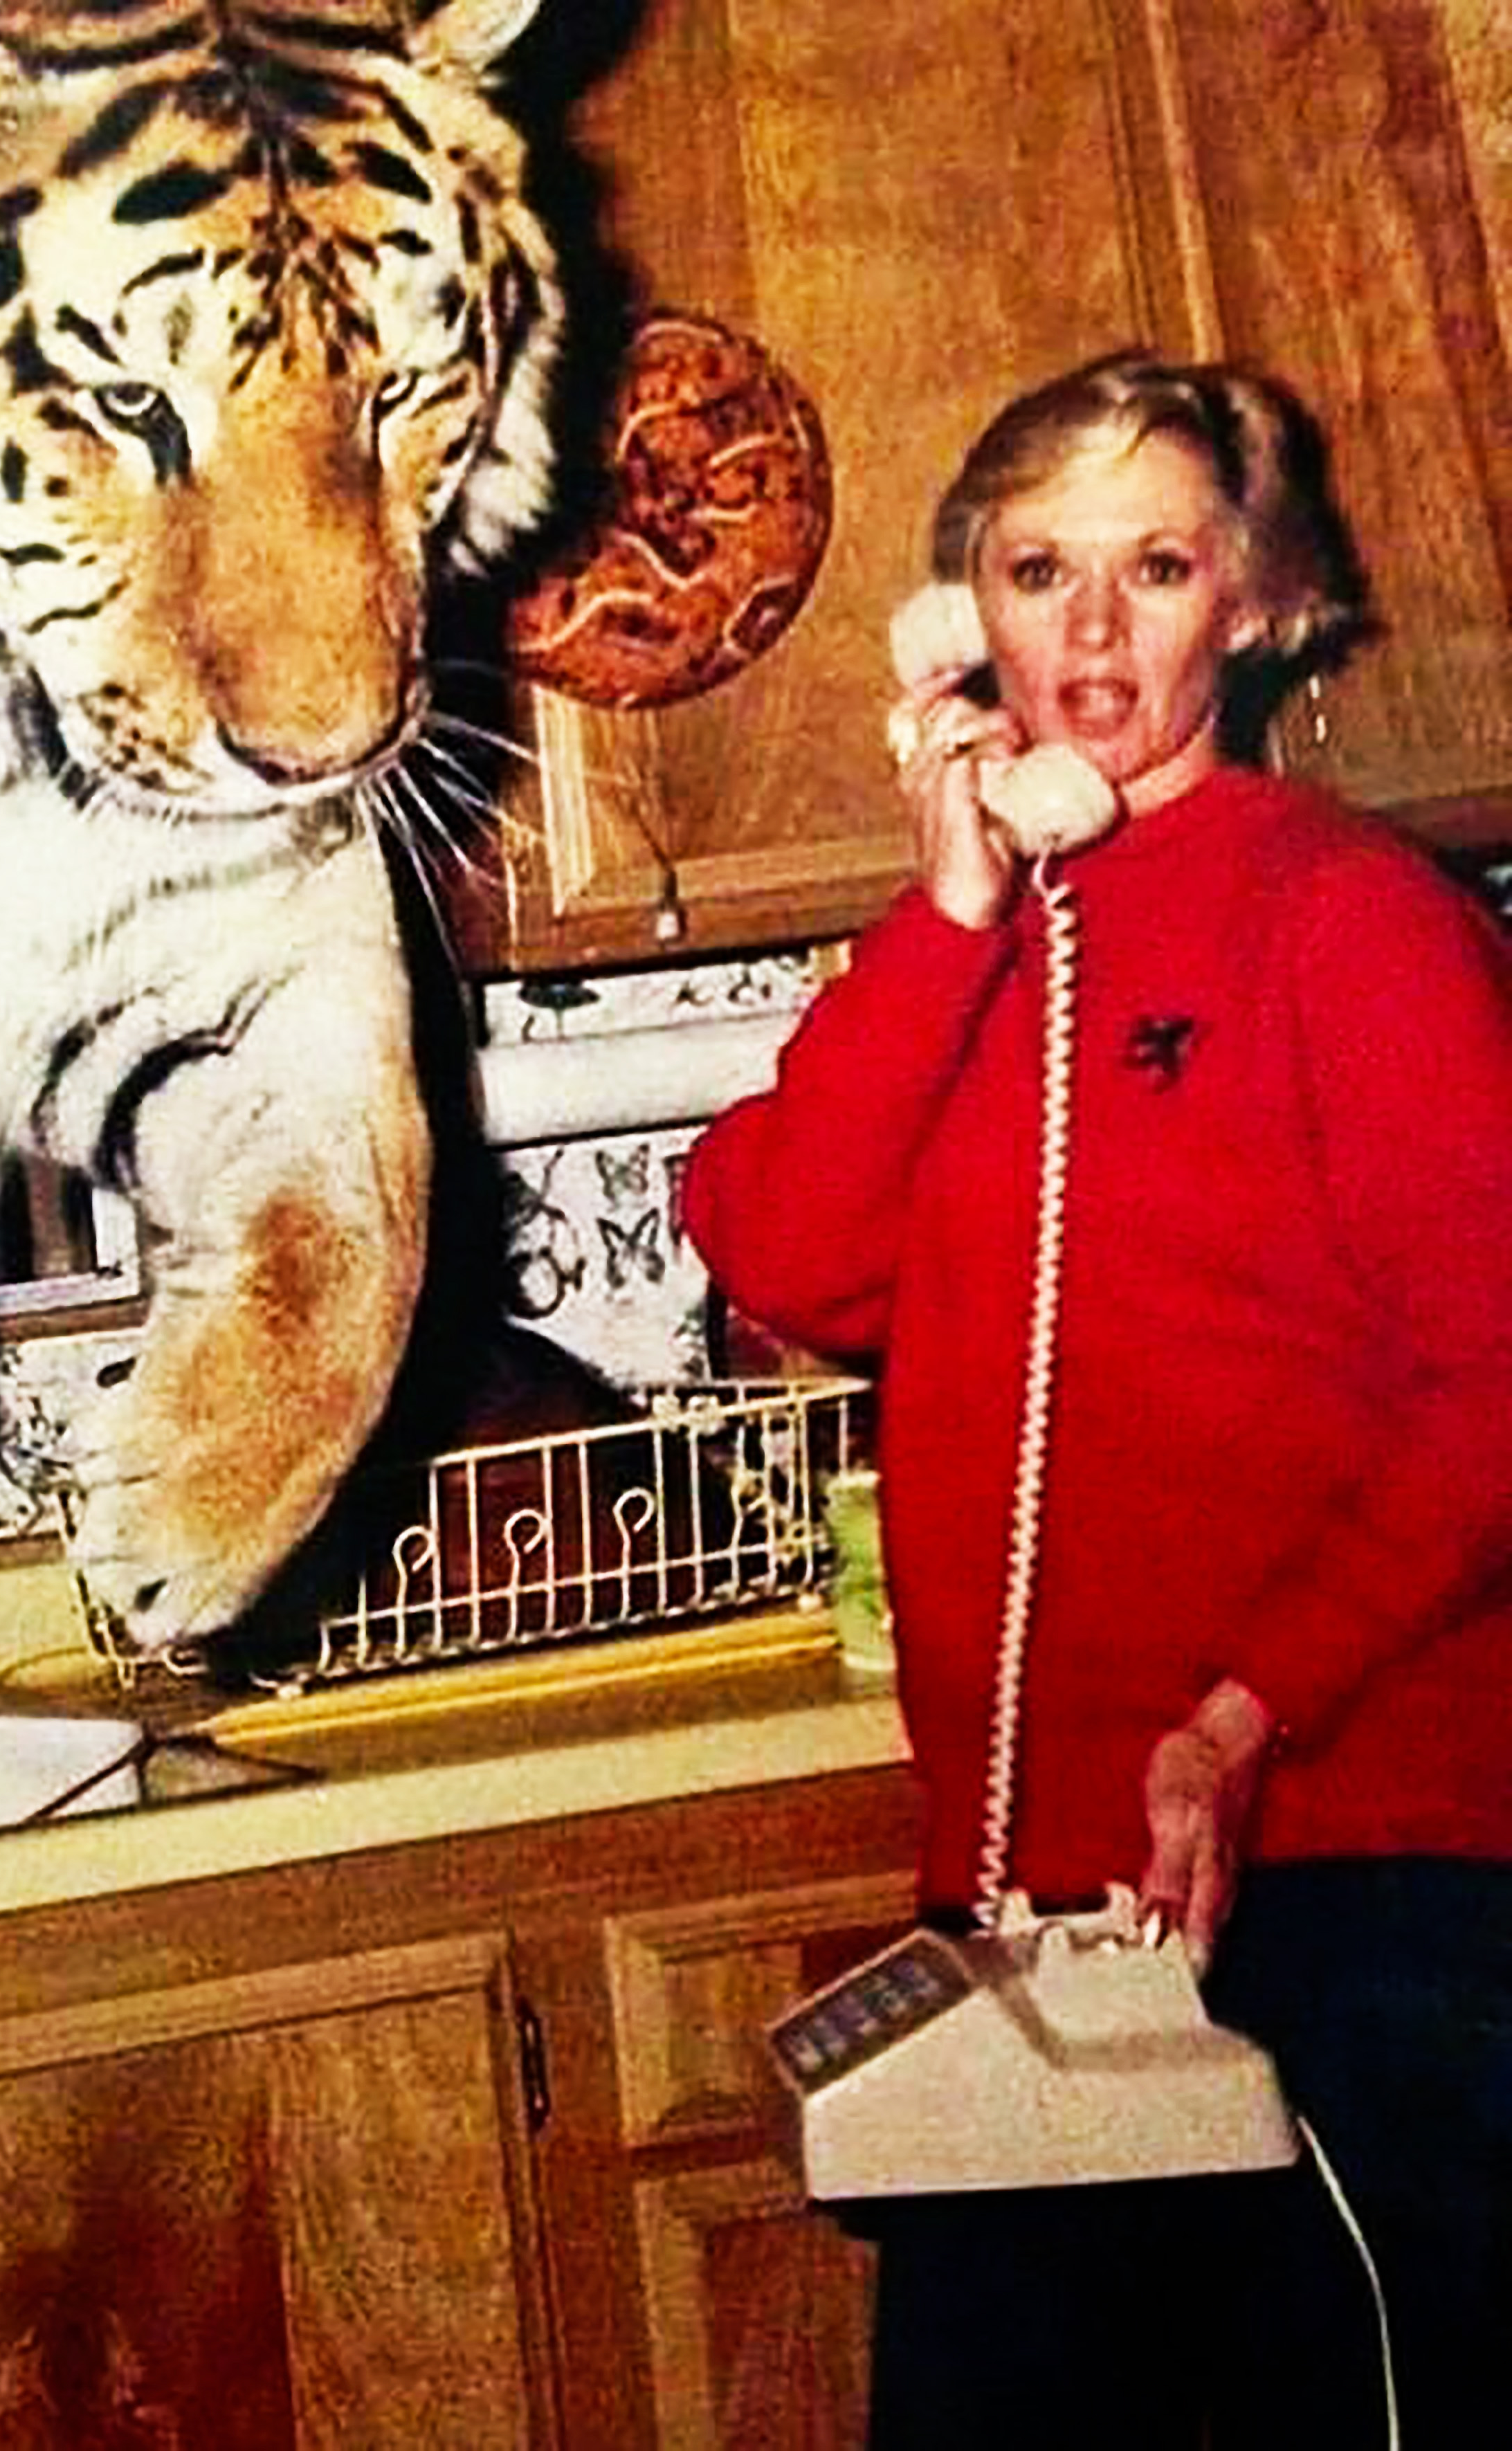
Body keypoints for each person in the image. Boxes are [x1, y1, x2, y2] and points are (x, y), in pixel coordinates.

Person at [682, 349, 1512, 2448]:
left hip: (1348, 1876)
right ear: (963, 617)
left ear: (1254, 603)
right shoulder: (969, 946)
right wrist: (951, 907)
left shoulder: (1351, 922)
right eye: (1036, 570)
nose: (1090, 633)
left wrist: (1243, 1717)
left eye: (1155, 569)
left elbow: (1499, 1387)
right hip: (1028, 1907)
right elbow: (778, 1257)